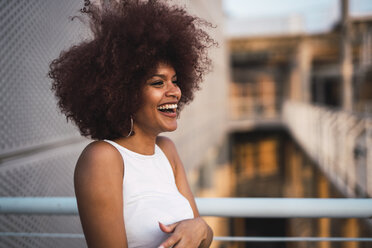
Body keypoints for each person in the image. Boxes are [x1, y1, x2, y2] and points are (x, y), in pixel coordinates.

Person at [48, 0, 216, 247]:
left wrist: (200, 227)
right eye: (158, 83)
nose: (175, 92)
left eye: (175, 81)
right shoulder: (103, 158)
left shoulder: (167, 151)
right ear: (122, 93)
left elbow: (203, 236)